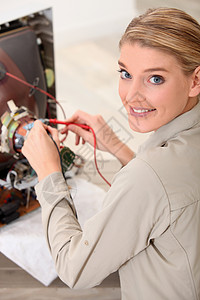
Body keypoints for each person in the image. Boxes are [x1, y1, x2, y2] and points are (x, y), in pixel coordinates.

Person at [22, 7, 200, 300]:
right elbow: (168, 194)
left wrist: (48, 173)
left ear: (194, 81)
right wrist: (117, 147)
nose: (131, 96)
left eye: (155, 78)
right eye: (126, 73)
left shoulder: (148, 177)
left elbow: (75, 268)